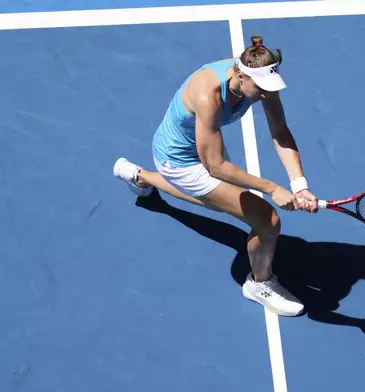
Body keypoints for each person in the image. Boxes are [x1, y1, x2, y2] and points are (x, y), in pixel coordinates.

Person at [113, 35, 318, 317]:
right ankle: (259, 284)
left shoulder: (260, 79)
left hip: (206, 147)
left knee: (216, 201)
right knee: (268, 221)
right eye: (259, 88)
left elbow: (280, 131)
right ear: (241, 75)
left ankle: (140, 177)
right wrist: (272, 188)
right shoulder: (206, 95)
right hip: (180, 161)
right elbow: (216, 167)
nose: (264, 94)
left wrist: (299, 185)